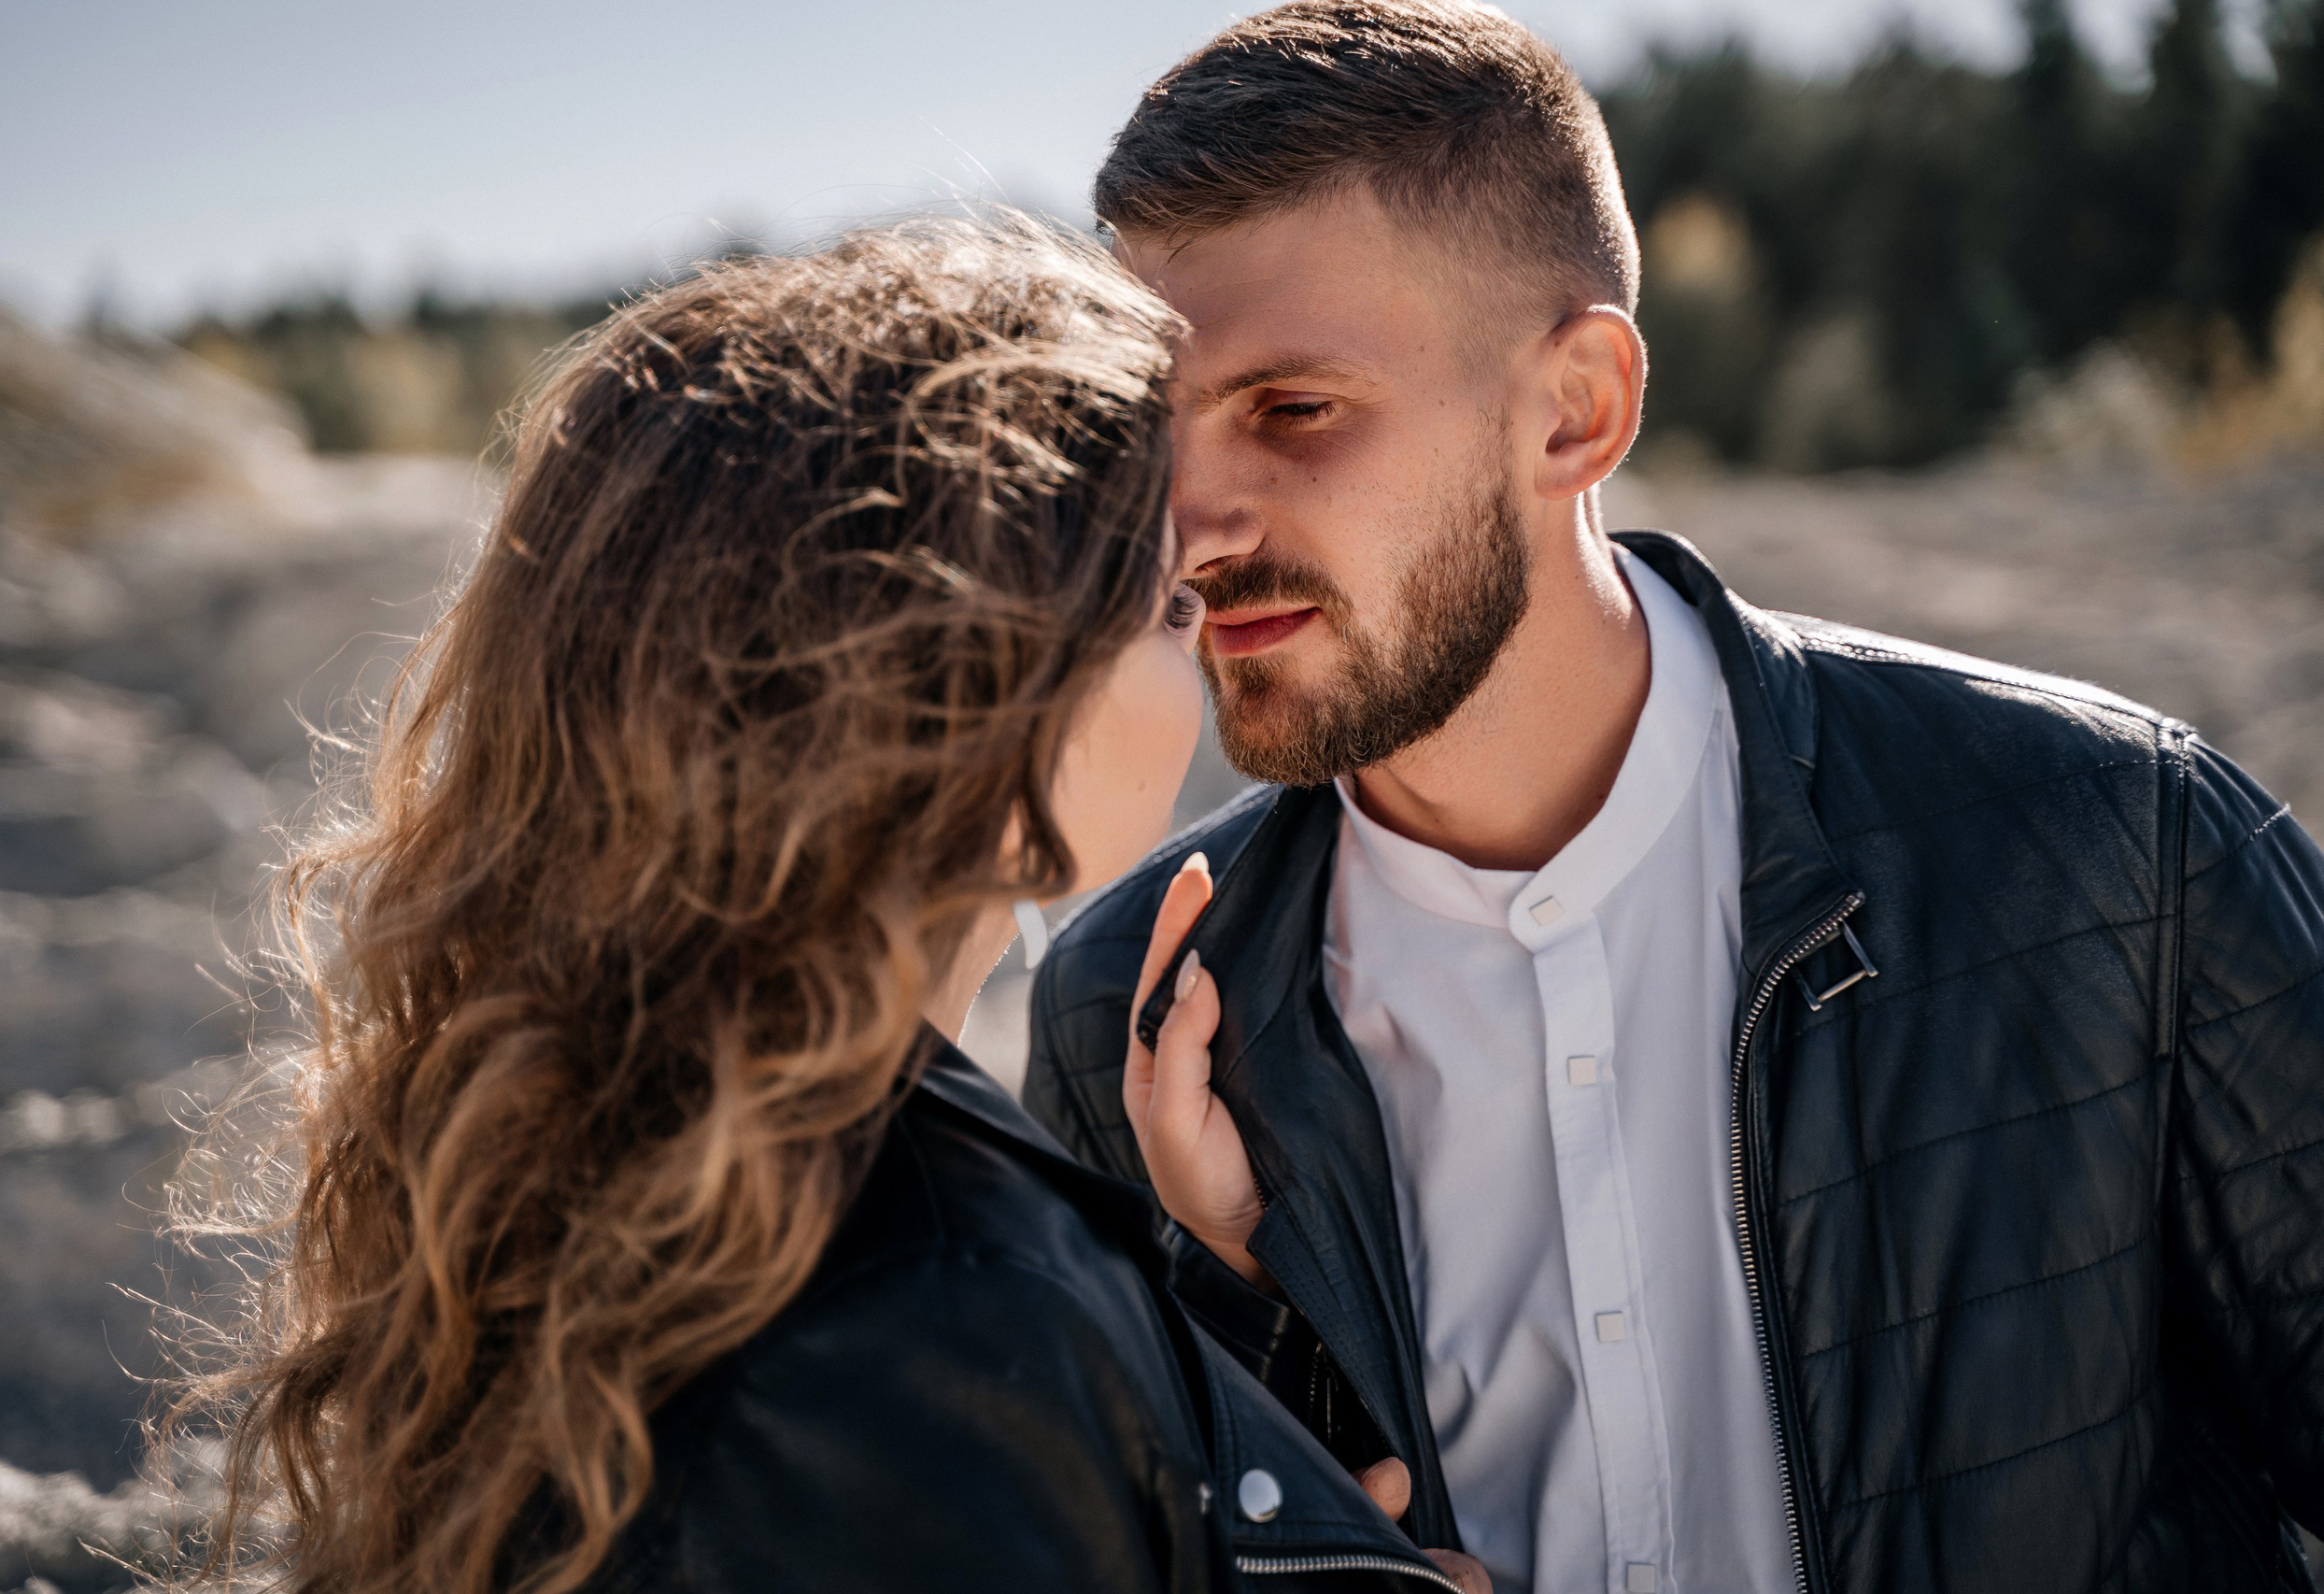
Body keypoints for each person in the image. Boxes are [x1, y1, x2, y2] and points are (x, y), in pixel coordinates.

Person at [1024, 5, 2324, 1593]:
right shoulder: (1128, 1020)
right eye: (1150, 427)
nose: (1191, 523)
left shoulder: (2131, 853)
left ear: (1576, 409)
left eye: (1294, 411)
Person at [178, 217, 1490, 1594]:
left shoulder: (638, 1146)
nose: (1211, 652)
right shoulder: (945, 1308)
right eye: (1166, 604)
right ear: (976, 700)